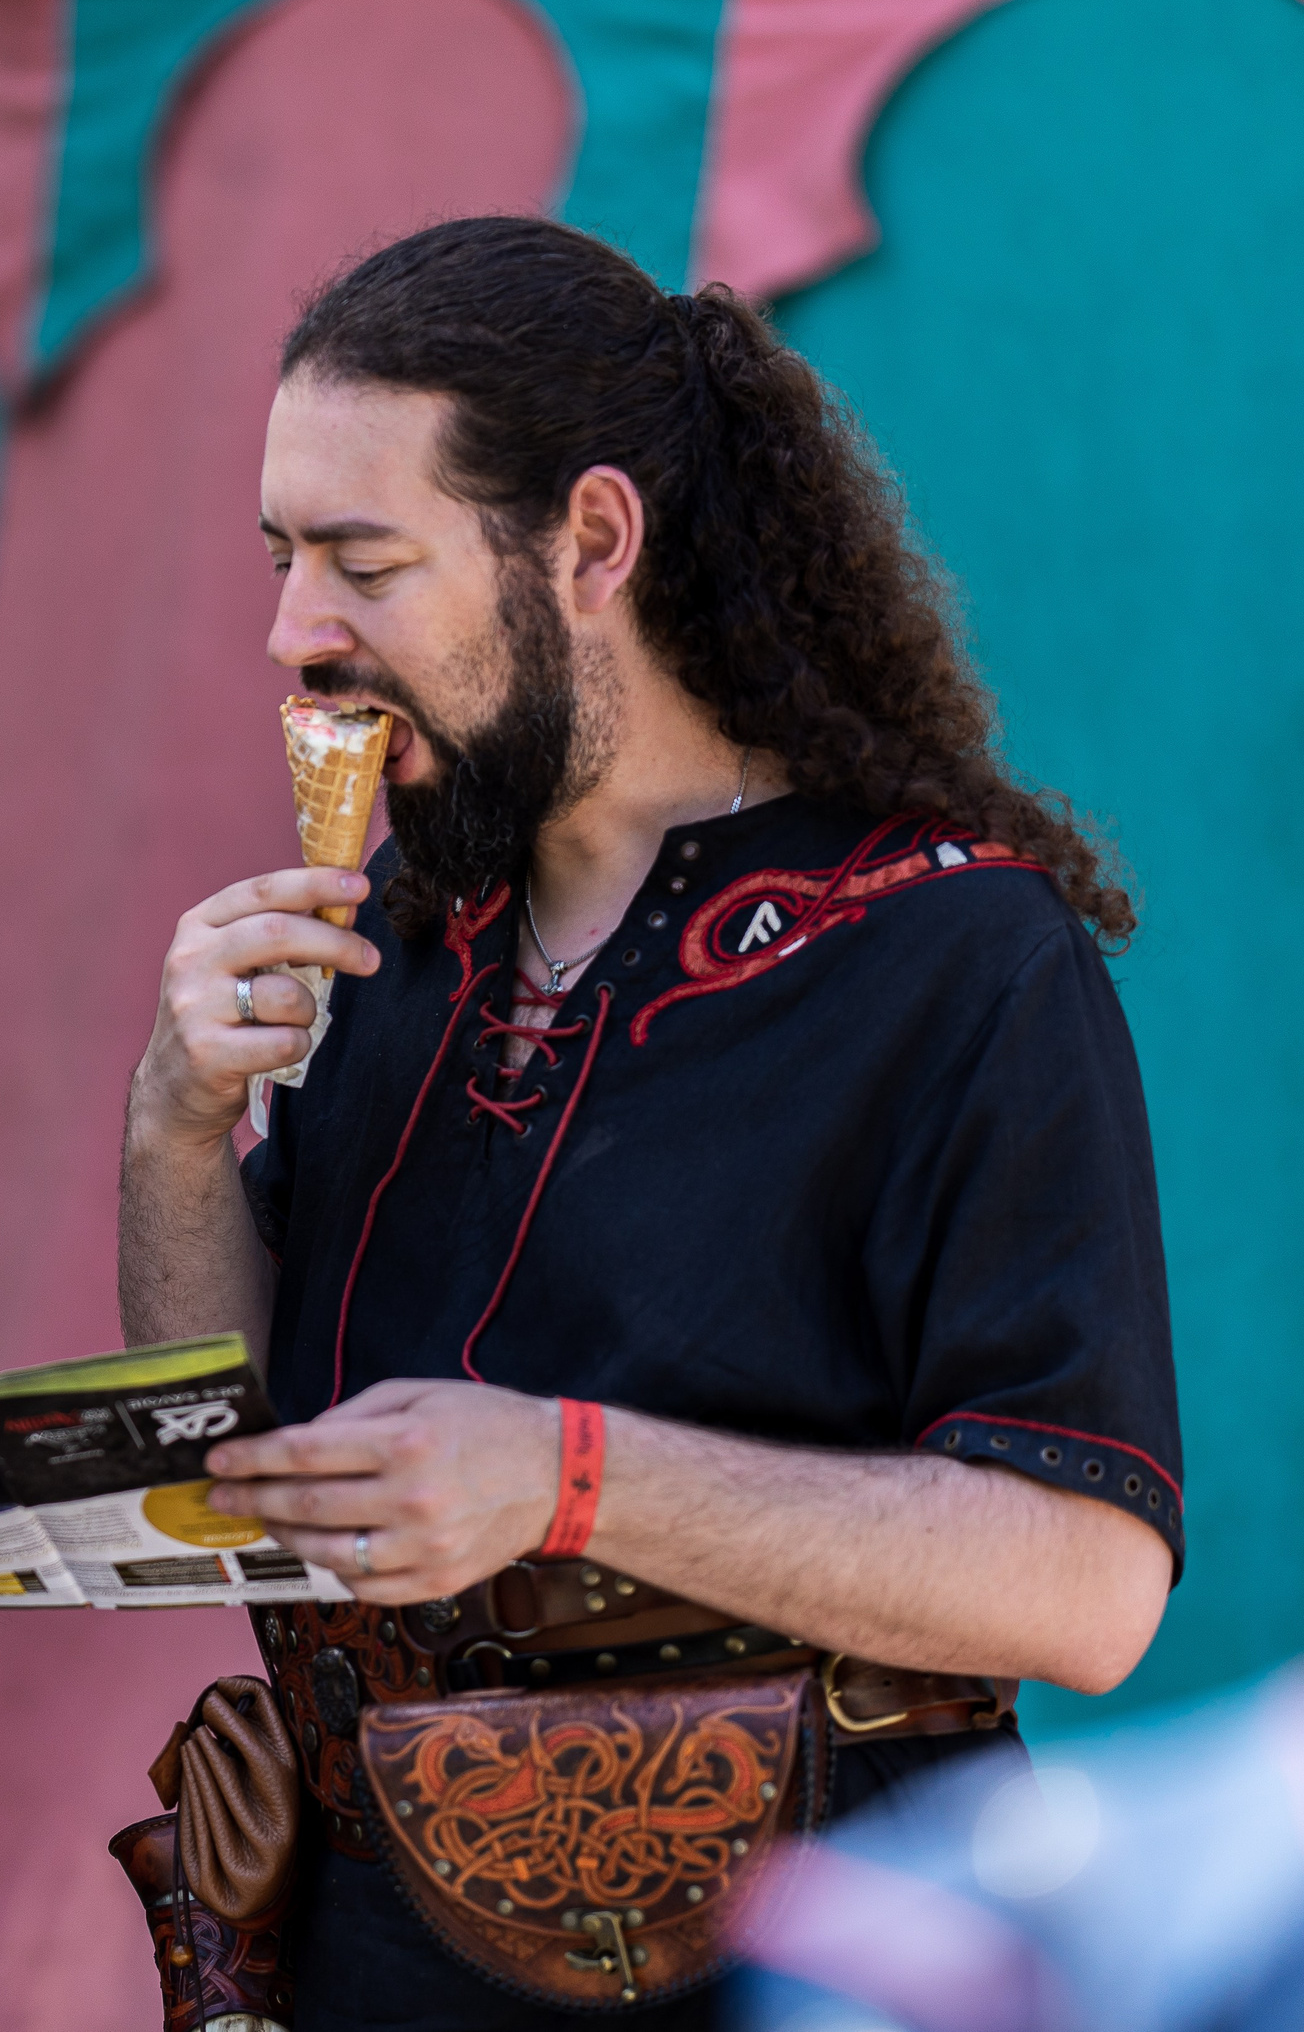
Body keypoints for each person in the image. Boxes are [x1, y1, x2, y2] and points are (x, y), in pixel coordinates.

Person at [118, 219, 1180, 2030]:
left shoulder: (950, 948)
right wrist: (172, 1129)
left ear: (594, 541)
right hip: (376, 1947)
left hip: (815, 1954)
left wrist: (567, 1473)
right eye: (286, 556)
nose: (295, 633)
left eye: (365, 561)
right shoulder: (392, 936)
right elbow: (233, 1452)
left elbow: (1083, 1586)